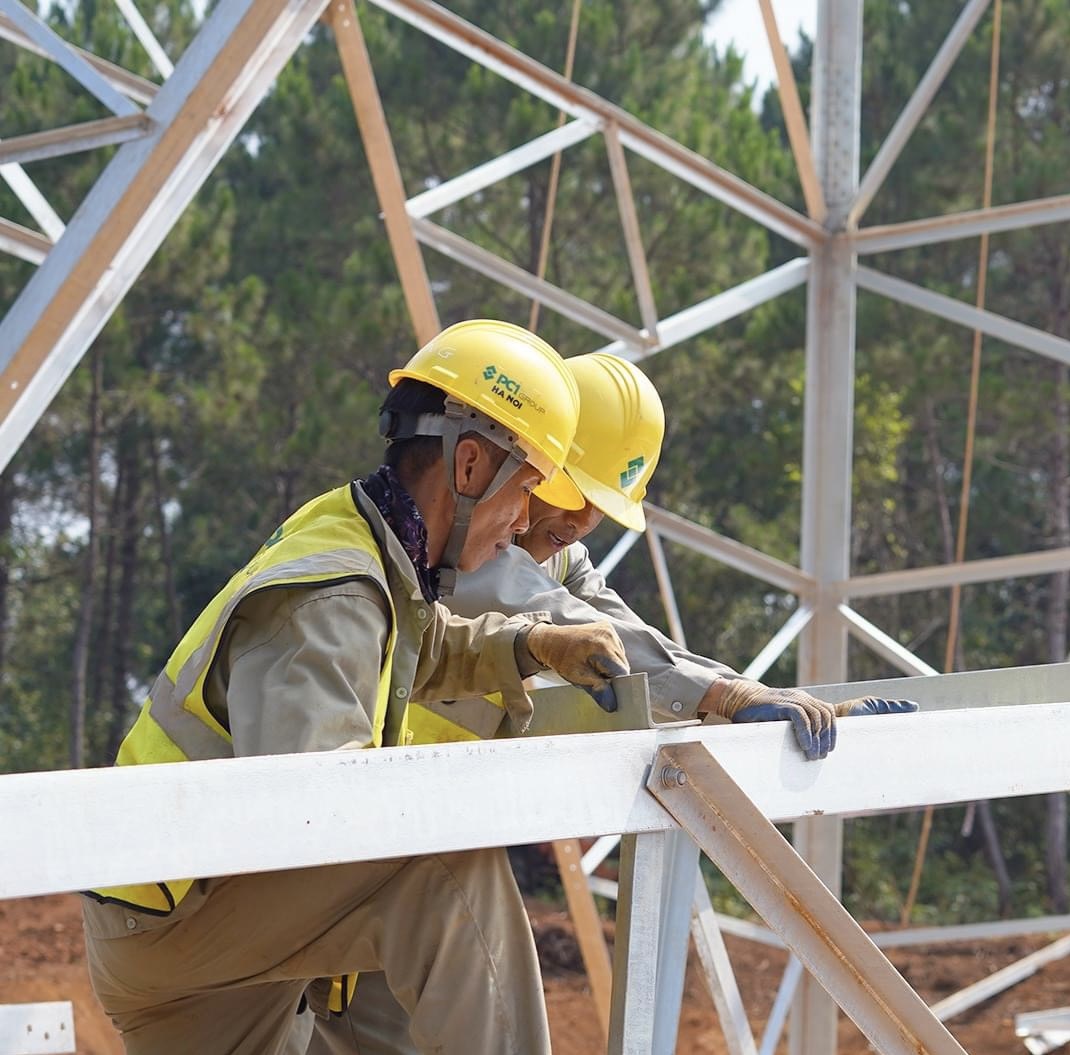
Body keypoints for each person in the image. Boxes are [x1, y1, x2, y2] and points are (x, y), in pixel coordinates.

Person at [306, 352, 915, 1055]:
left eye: (600, 502)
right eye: (571, 489)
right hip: (372, 847)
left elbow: (638, 642)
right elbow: (559, 618)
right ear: (521, 462)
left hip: (426, 846)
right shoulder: (459, 558)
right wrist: (725, 696)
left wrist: (754, 697)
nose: (584, 518)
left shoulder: (552, 549)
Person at [80, 320, 633, 1055]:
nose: (526, 518)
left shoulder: (367, 544)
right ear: (468, 467)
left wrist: (529, 643)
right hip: (175, 925)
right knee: (442, 865)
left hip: (192, 916)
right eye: (526, 486)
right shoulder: (333, 597)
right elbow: (317, 817)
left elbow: (416, 647)